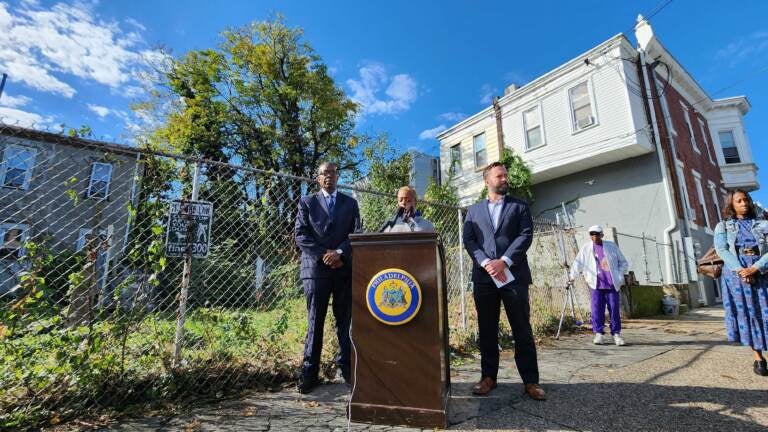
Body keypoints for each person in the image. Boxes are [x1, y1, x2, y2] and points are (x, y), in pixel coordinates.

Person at [462, 162, 545, 401]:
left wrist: (505, 261)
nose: (505, 179)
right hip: (484, 278)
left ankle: (531, 381)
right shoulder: (474, 210)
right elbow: (469, 240)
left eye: (506, 175)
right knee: (487, 329)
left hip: (514, 277)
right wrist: (487, 263)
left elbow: (525, 235)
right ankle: (488, 377)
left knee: (522, 329)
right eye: (500, 176)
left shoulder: (519, 206)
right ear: (487, 180)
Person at [294, 162, 361, 393]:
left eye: (331, 172)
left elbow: (356, 233)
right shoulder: (307, 202)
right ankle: (309, 372)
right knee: (315, 321)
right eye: (323, 173)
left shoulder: (350, 203)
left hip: (343, 269)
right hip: (316, 271)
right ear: (318, 178)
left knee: (345, 322)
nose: (328, 176)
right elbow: (301, 235)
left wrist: (340, 253)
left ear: (337, 176)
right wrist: (326, 255)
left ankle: (348, 370)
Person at [714, 189, 768, 377]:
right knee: (749, 313)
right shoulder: (723, 226)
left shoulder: (763, 224)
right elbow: (722, 250)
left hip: (762, 270)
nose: (744, 203)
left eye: (746, 200)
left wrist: (755, 268)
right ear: (732, 205)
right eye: (739, 201)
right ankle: (758, 357)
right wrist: (741, 270)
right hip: (736, 274)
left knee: (765, 310)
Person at [569, 225, 629, 346]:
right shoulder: (586, 248)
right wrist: (572, 277)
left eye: (597, 234)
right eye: (592, 234)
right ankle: (599, 333)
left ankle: (616, 334)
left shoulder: (611, 246)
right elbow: (578, 263)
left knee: (614, 309)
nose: (594, 236)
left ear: (602, 235)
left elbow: (623, 262)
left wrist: (619, 274)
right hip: (595, 284)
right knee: (597, 309)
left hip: (612, 284)